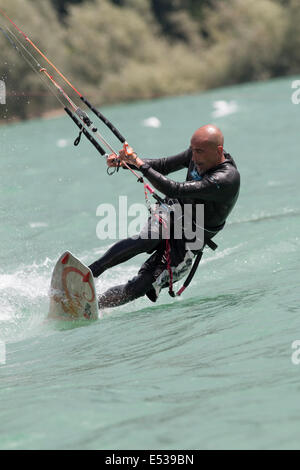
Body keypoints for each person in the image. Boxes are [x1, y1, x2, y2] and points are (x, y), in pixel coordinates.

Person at [89, 124, 240, 309]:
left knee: (141, 286)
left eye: (199, 152)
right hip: (173, 210)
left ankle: (93, 307)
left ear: (219, 151)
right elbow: (163, 166)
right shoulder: (196, 153)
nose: (194, 157)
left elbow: (175, 188)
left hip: (191, 237)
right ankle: (89, 273)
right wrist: (127, 163)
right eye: (193, 151)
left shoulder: (226, 179)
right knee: (148, 238)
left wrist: (140, 164)